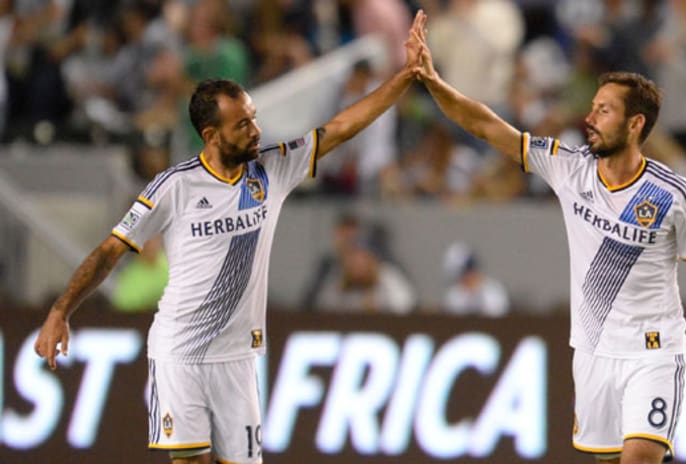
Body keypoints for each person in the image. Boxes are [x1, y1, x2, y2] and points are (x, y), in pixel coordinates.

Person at [33, 10, 427, 464]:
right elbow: (110, 250)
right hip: (181, 351)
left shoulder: (272, 170)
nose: (256, 131)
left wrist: (406, 76)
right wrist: (62, 310)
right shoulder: (175, 187)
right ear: (210, 135)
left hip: (239, 358)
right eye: (243, 125)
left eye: (254, 118)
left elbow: (341, 127)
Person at [409, 16, 686, 464]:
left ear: (635, 124)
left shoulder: (672, 194)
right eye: (593, 107)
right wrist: (433, 81)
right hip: (594, 351)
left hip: (653, 351)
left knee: (639, 457)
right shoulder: (569, 167)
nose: (590, 118)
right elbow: (487, 126)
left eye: (604, 110)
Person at [441, 241, 509, 317]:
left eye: (470, 269)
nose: (469, 275)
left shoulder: (493, 291)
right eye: (466, 272)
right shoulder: (454, 295)